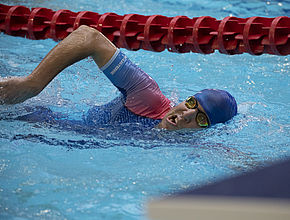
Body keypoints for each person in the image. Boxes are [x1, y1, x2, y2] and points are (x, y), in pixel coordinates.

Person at [0, 25, 237, 131]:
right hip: (32, 120)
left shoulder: (187, 144)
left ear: (206, 130)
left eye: (201, 119)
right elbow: (89, 37)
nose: (185, 115)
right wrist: (33, 84)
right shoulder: (149, 99)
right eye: (191, 104)